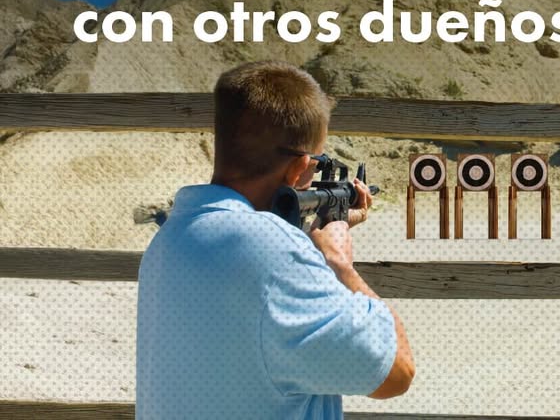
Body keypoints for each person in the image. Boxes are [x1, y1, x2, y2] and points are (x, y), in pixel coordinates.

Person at [137, 61, 414, 419]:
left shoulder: (171, 237)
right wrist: (338, 263)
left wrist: (304, 243)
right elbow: (396, 371)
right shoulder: (277, 251)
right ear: (299, 167)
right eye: (316, 164)